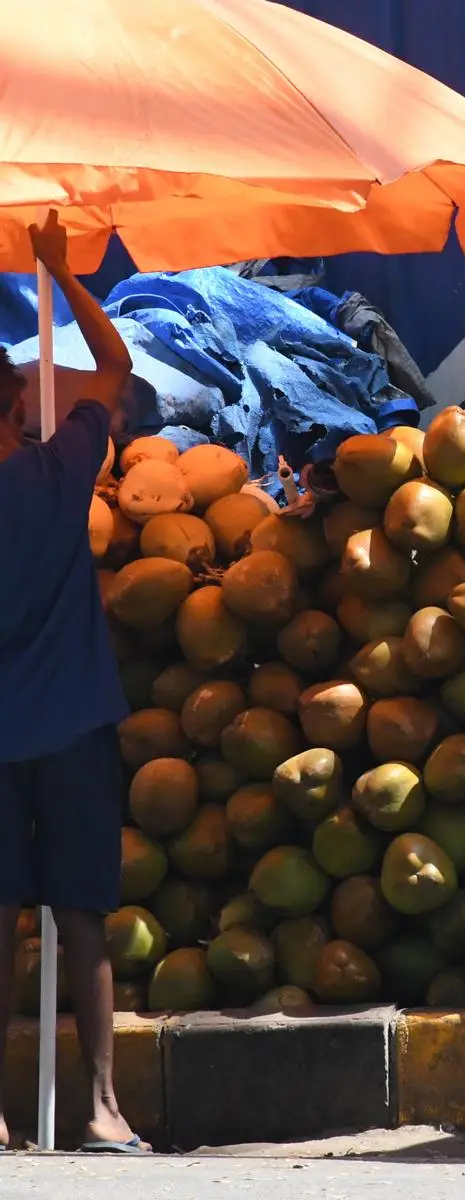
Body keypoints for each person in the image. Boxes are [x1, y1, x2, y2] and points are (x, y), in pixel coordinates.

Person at [0, 212, 149, 1154]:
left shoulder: (47, 469)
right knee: (83, 914)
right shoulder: (58, 473)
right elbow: (117, 369)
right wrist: (60, 273)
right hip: (75, 725)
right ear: (18, 405)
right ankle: (98, 1107)